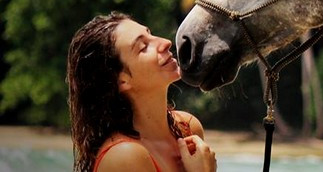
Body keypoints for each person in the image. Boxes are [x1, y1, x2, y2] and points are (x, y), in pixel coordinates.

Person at [67, 12, 217, 172]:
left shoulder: (187, 128)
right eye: (143, 47)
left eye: (150, 34)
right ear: (121, 80)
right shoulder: (124, 157)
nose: (165, 42)